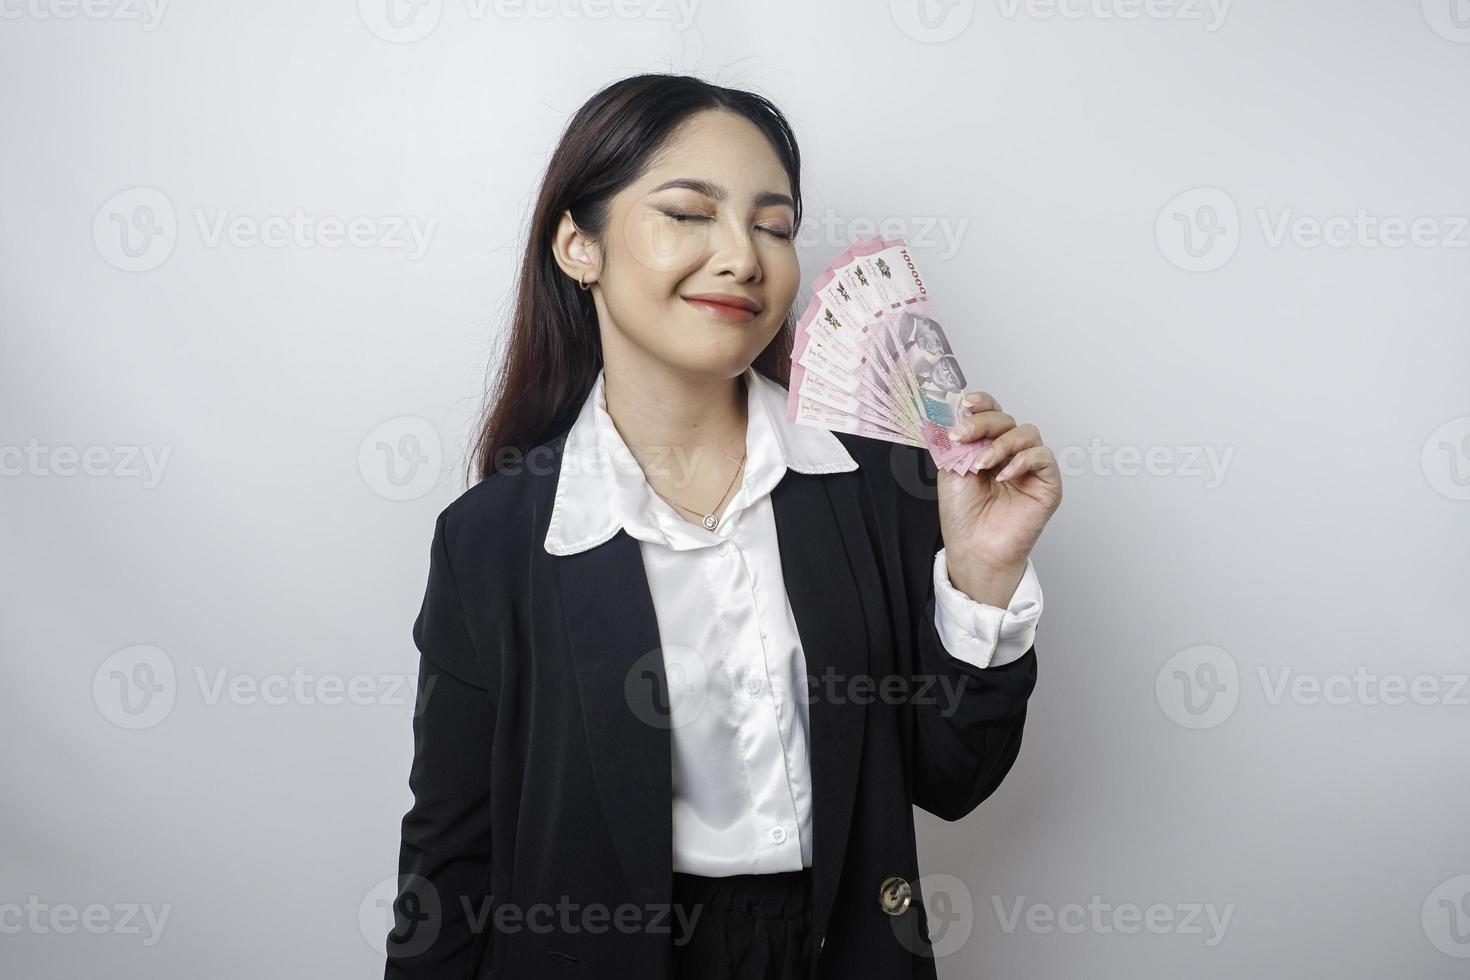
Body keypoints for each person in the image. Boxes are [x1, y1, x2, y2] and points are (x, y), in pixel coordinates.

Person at [384, 73, 1062, 980]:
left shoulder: (878, 486)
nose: (744, 256)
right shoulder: (494, 540)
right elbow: (449, 862)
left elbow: (952, 779)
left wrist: (982, 573)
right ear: (578, 244)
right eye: (689, 213)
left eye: (774, 225)